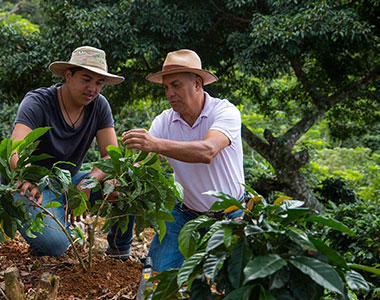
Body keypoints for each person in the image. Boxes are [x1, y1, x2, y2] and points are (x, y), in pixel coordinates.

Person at [121, 49, 245, 271]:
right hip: (185, 213)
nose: (170, 93)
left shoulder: (225, 111)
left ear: (197, 84)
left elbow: (208, 151)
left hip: (232, 214)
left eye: (176, 85)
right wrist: (123, 181)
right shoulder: (164, 121)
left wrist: (156, 144)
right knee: (158, 273)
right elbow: (145, 163)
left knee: (234, 279)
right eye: (166, 88)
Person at [10, 46, 134, 258]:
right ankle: (64, 235)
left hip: (70, 181)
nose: (92, 88)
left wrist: (87, 184)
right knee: (56, 245)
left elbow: (110, 157)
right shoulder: (38, 102)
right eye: (86, 79)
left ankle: (118, 250)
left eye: (99, 83)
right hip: (32, 182)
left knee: (127, 183)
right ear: (68, 75)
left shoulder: (99, 106)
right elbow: (16, 149)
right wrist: (27, 176)